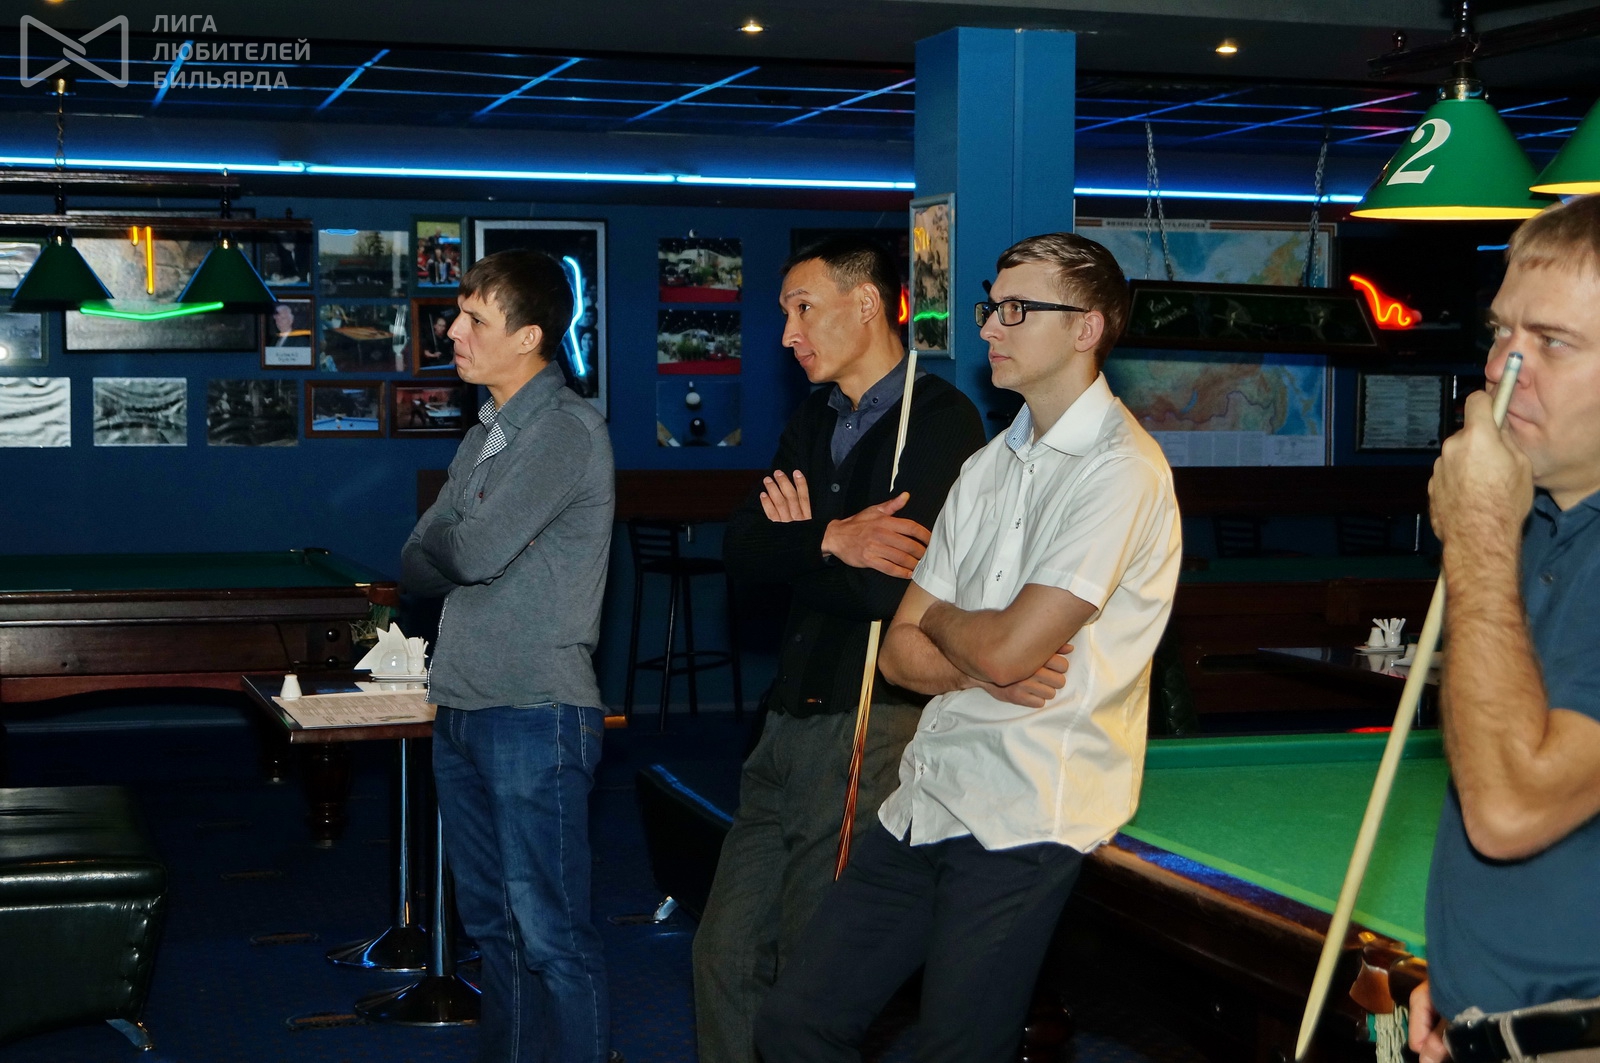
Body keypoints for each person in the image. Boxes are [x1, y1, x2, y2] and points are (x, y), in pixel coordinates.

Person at [753, 232, 1182, 1063]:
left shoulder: (1122, 468)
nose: (988, 326)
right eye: (993, 305)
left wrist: (953, 628)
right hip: (929, 791)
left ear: (1087, 328)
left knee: (956, 1048)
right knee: (794, 1021)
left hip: (1031, 809)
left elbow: (1006, 647)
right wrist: (977, 649)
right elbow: (898, 654)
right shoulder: (988, 464)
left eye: (1017, 310)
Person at [692, 235, 985, 1063]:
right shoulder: (814, 417)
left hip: (867, 726)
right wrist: (830, 539)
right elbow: (741, 550)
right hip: (784, 724)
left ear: (865, 304)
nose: (788, 333)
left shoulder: (941, 421)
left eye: (802, 308)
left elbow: (884, 593)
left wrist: (801, 544)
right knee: (721, 954)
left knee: (805, 979)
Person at [401, 249, 616, 1063]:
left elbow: (471, 549)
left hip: (535, 712)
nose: (453, 331)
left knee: (551, 933)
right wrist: (453, 543)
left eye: (474, 319)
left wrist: (454, 540)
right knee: (494, 929)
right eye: (458, 314)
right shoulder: (485, 431)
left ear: (529, 337)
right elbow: (415, 558)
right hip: (462, 705)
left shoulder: (563, 429)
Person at [1408, 194, 1600, 1063]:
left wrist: (1480, 531)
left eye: (1551, 342)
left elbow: (1510, 809)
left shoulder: (1499, 524)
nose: (1501, 368)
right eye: (1499, 332)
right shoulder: (1541, 523)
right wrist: (1466, 979)